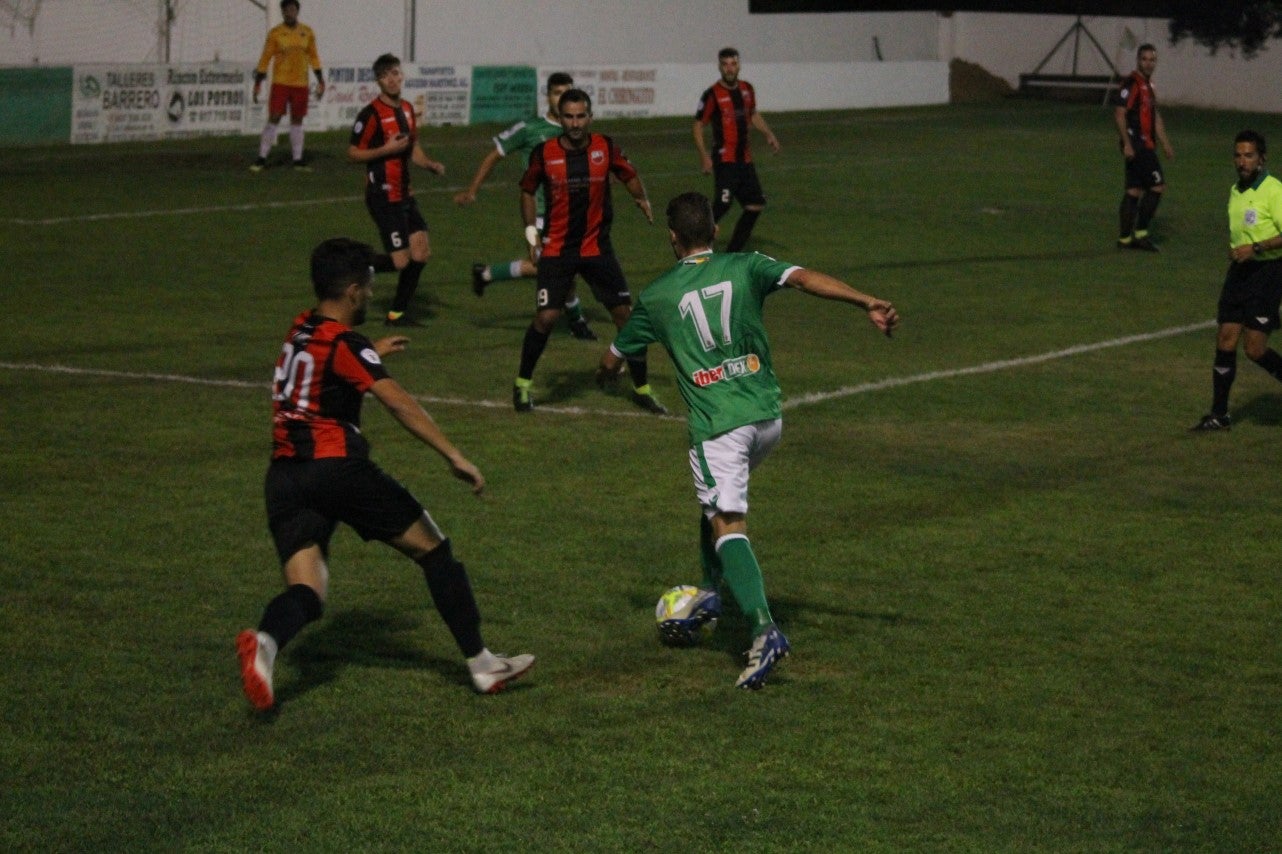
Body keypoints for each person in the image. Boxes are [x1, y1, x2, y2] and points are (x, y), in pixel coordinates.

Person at [596, 191, 898, 689]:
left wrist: (606, 375)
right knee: (713, 507)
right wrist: (866, 300)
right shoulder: (746, 265)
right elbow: (803, 278)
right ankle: (709, 591)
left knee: (728, 523)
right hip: (766, 418)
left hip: (719, 427)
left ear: (672, 238)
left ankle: (763, 630)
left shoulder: (656, 296)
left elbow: (613, 358)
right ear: (715, 231)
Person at [236, 237, 534, 711]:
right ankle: (482, 664)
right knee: (434, 550)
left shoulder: (300, 329)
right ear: (353, 291)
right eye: (369, 288)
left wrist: (370, 352)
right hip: (337, 470)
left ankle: (266, 645)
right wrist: (453, 455)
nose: (372, 295)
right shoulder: (346, 342)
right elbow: (398, 402)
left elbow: (320, 372)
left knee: (307, 591)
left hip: (285, 478)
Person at [513, 87, 664, 414]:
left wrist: (641, 197)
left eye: (581, 116)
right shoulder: (545, 153)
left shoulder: (604, 147)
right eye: (569, 117)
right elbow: (527, 190)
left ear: (590, 117)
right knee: (546, 317)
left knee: (626, 317)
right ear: (560, 118)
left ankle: (642, 388)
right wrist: (531, 235)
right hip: (558, 249)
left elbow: (628, 173)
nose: (575, 123)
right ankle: (522, 384)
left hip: (597, 248)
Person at [454, 73, 596, 341]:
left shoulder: (576, 129)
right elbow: (494, 155)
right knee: (559, 269)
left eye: (566, 93)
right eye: (556, 93)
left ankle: (486, 274)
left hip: (567, 214)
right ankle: (577, 322)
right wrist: (472, 191)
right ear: (548, 96)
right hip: (538, 213)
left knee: (555, 268)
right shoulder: (530, 128)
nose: (561, 99)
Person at [1191, 130, 1282, 431]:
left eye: (1249, 155)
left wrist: (1256, 248)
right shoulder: (1236, 190)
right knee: (1226, 339)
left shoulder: (1274, 190)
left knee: (1254, 349)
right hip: (1239, 273)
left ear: (1262, 159)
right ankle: (1219, 414)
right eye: (1238, 155)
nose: (1242, 161)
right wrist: (1237, 249)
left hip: (1267, 274)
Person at [348, 53, 446, 327]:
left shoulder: (406, 109)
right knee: (401, 262)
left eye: (395, 73)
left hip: (405, 194)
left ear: (401, 75)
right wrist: (385, 150)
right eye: (384, 76)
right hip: (382, 195)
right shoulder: (370, 115)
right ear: (378, 81)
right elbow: (353, 153)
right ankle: (359, 264)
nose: (391, 80)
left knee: (421, 253)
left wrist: (429, 164)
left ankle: (396, 315)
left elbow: (412, 146)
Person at [693, 47, 780, 252]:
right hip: (725, 159)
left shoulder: (747, 89)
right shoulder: (712, 94)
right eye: (725, 65)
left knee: (755, 204)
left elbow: (753, 114)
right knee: (723, 204)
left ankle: (732, 254)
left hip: (745, 159)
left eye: (733, 64)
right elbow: (697, 125)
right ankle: (692, 238)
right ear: (719, 67)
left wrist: (768, 133)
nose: (730, 69)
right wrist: (704, 155)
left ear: (739, 65)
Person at [1113, 43, 1175, 252]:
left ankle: (1124, 239)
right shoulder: (1131, 84)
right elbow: (1119, 114)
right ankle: (1141, 234)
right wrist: (1127, 144)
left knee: (1134, 190)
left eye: (1152, 60)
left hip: (1144, 144)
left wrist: (1165, 143)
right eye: (1144, 59)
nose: (1148, 63)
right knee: (1157, 186)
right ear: (1138, 60)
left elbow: (1155, 117)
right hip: (1138, 145)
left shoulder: (1149, 86)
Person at [250, 0, 324, 172]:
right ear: (282, 12)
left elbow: (314, 57)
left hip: (301, 84)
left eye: (292, 9)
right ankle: (261, 158)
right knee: (274, 117)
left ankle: (298, 160)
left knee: (297, 120)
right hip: (281, 83)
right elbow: (265, 58)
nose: (289, 13)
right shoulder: (275, 33)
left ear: (297, 11)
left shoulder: (307, 32)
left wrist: (321, 80)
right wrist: (258, 83)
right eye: (286, 10)